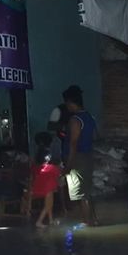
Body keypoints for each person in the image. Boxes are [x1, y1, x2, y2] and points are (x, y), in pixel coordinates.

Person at [60, 85, 98, 226]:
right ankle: (93, 220)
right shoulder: (89, 117)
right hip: (87, 156)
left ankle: (87, 222)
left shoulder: (75, 120)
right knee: (86, 191)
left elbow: (73, 143)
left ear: (70, 102)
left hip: (77, 158)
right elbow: (94, 136)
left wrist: (69, 164)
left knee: (82, 193)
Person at [31, 132, 62, 228]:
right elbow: (58, 174)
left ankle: (51, 220)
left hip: (43, 186)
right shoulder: (51, 166)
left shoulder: (38, 165)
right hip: (49, 187)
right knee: (48, 205)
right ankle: (39, 221)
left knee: (49, 204)